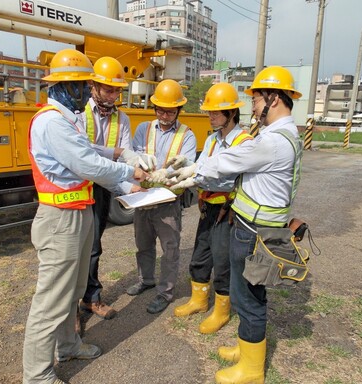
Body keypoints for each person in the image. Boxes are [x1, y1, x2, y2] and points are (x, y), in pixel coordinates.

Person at [169, 66, 303, 384]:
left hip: (255, 230)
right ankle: (247, 350)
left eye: (256, 99)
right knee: (247, 294)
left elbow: (227, 163)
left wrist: (187, 169)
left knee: (249, 298)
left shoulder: (271, 142)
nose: (253, 106)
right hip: (257, 226)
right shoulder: (282, 135)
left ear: (273, 98)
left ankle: (252, 371)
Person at [23, 48, 147, 384]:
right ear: (65, 87)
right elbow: (87, 164)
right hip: (60, 219)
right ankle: (36, 375)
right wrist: (128, 170)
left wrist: (119, 152)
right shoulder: (51, 121)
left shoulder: (66, 120)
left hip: (76, 215)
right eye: (82, 86)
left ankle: (68, 345)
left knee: (72, 289)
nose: (87, 92)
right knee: (52, 298)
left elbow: (90, 150)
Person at [172, 83, 252, 334]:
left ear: (231, 113)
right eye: (209, 112)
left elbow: (229, 178)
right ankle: (198, 300)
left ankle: (221, 310)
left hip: (226, 211)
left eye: (216, 113)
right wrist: (187, 164)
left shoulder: (244, 142)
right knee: (200, 255)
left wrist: (196, 178)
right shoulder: (212, 139)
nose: (211, 116)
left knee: (223, 260)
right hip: (208, 206)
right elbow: (203, 164)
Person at [78, 56, 153, 321]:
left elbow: (123, 157)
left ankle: (91, 298)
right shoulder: (78, 114)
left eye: (117, 90)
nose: (113, 95)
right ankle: (71, 309)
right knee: (74, 249)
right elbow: (85, 153)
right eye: (108, 89)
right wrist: (122, 177)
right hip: (76, 188)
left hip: (100, 190)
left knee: (94, 246)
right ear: (93, 86)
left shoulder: (122, 119)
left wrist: (130, 185)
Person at [126, 79, 197, 314]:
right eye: (160, 110)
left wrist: (163, 173)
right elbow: (134, 154)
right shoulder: (143, 128)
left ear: (178, 110)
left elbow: (185, 165)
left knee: (170, 248)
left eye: (170, 110)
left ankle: (165, 292)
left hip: (168, 200)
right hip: (144, 197)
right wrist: (138, 160)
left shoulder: (187, 135)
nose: (164, 115)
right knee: (143, 244)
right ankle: (146, 280)